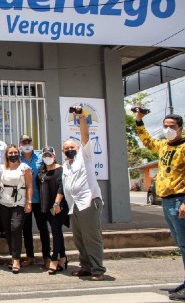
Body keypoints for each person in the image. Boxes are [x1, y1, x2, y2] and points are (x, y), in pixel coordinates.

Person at [136, 110, 185, 300]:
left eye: (172, 126)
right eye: (165, 126)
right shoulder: (164, 146)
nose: (168, 129)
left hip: (179, 200)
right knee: (180, 242)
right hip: (166, 200)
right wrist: (139, 121)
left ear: (180, 128)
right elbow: (147, 141)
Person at [62, 105, 106, 281]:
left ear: (78, 147)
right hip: (75, 206)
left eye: (72, 146)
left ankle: (98, 269)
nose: (69, 149)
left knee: (92, 237)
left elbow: (85, 135)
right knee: (79, 238)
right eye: (66, 148)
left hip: (89, 202)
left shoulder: (85, 155)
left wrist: (81, 117)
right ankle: (86, 266)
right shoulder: (66, 165)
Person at [0, 144, 33, 274]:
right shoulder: (2, 168)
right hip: (4, 202)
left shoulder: (24, 168)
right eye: (10, 153)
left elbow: (29, 186)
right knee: (7, 229)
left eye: (15, 152)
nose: (13, 155)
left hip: (19, 202)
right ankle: (13, 256)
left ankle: (17, 259)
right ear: (6, 155)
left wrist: (28, 202)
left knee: (16, 228)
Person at [19, 134, 51, 268]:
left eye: (29, 142)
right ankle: (30, 256)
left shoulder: (40, 157)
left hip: (39, 199)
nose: (27, 144)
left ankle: (47, 257)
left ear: (32, 143)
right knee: (26, 229)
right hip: (23, 199)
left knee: (43, 228)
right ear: (20, 144)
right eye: (24, 142)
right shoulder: (17, 158)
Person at [38, 146, 69, 275]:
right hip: (44, 206)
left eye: (49, 155)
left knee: (55, 232)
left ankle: (54, 259)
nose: (47, 157)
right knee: (57, 232)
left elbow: (62, 187)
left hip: (56, 206)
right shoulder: (42, 170)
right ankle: (63, 257)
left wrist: (57, 203)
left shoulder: (60, 170)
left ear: (54, 156)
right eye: (45, 155)